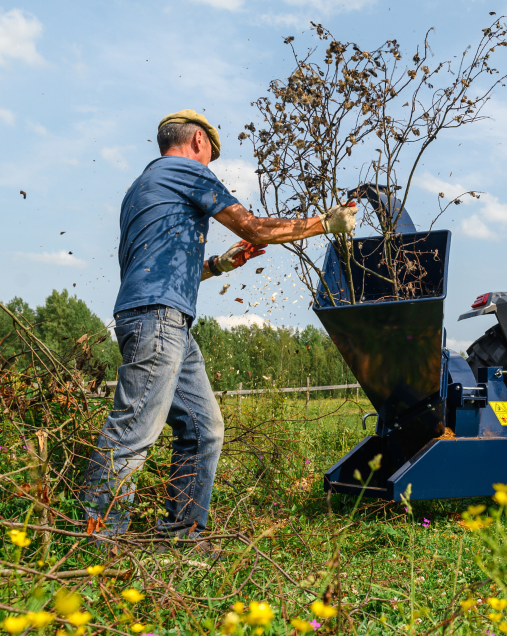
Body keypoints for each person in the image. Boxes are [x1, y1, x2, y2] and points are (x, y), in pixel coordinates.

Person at [81, 109, 356, 550]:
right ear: (198, 142)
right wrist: (325, 223)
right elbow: (254, 228)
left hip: (162, 319)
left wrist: (218, 264)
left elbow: (159, 265)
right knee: (131, 433)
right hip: (158, 321)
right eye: (211, 154)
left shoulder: (142, 187)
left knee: (203, 427)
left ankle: (182, 537)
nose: (210, 164)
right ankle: (96, 544)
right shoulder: (186, 171)